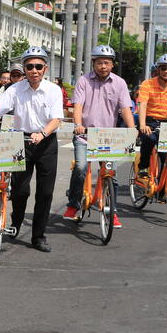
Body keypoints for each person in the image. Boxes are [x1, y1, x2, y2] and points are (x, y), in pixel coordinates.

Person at [0, 47, 63, 252]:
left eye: (38, 66)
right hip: (21, 141)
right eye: (30, 66)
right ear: (24, 69)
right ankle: (16, 223)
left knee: (45, 192)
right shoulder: (15, 89)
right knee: (20, 190)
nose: (34, 70)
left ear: (45, 68)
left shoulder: (53, 90)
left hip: (46, 143)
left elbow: (56, 119)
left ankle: (38, 236)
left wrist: (42, 133)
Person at [64, 45, 135, 225]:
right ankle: (73, 204)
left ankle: (113, 211)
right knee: (80, 167)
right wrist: (78, 125)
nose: (103, 66)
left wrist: (132, 129)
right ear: (93, 63)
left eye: (107, 63)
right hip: (85, 135)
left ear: (112, 64)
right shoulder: (83, 81)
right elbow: (77, 106)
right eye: (99, 63)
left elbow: (125, 109)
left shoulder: (120, 83)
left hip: (108, 138)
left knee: (111, 175)